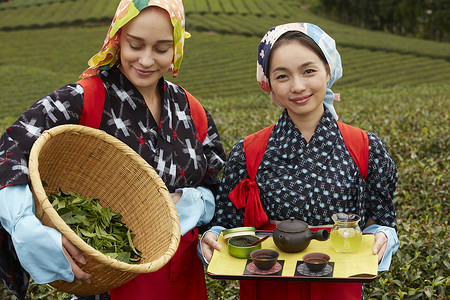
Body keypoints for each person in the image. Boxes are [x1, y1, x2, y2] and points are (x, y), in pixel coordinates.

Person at [0, 1, 226, 299]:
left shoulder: (190, 110)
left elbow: (218, 185)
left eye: (161, 49)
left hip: (179, 276)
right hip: (106, 271)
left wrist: (198, 208)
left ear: (176, 49)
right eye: (135, 45)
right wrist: (22, 223)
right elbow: (12, 147)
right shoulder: (86, 97)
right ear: (117, 39)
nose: (146, 60)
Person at [200, 22, 399, 300]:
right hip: (268, 280)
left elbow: (380, 220)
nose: (298, 86)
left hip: (337, 281)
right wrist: (212, 237)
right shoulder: (247, 151)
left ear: (328, 71)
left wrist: (383, 236)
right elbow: (227, 224)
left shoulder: (366, 147)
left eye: (309, 71)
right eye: (282, 76)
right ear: (268, 83)